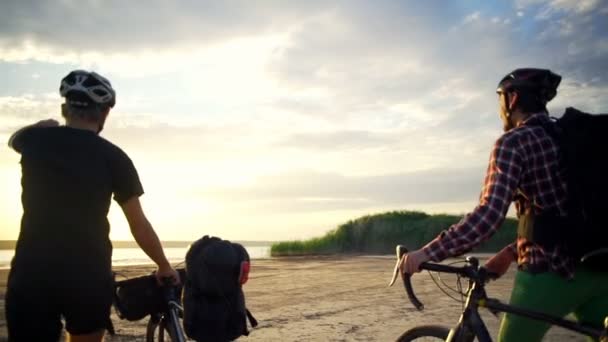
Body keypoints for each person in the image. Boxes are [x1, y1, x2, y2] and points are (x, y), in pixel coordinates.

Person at [400, 68, 608, 341]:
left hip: (553, 272)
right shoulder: (568, 138)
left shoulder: (514, 142)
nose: (500, 110)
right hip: (600, 269)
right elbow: (566, 212)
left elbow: (488, 216)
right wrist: (511, 252)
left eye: (500, 100)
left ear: (511, 100)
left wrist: (426, 253)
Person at [5, 70, 180, 342]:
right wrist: (163, 265)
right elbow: (138, 224)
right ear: (104, 113)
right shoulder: (115, 157)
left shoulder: (34, 142)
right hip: (87, 273)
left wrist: (40, 125)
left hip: (32, 271)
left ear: (65, 108)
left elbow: (14, 140)